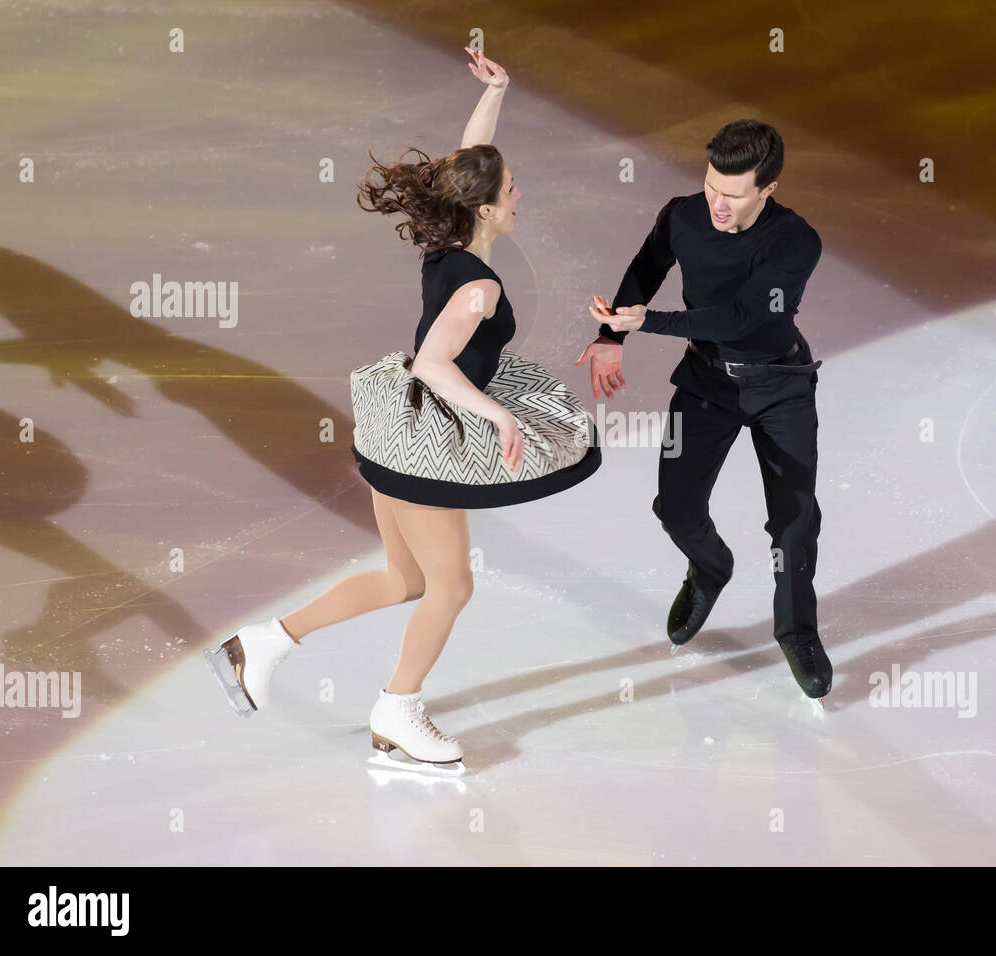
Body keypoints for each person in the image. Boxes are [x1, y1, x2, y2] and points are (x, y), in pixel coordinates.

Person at [206, 50, 600, 772]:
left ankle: (261, 642)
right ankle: (397, 709)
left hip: (395, 426)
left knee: (406, 580)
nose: (520, 196)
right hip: (425, 435)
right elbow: (432, 363)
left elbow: (467, 162)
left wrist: (498, 93)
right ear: (484, 208)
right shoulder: (476, 285)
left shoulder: (449, 236)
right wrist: (500, 416)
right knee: (451, 587)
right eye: (511, 190)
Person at [575, 119, 831, 700]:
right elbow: (646, 267)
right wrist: (612, 336)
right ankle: (710, 569)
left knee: (793, 521)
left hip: (780, 386)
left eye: (733, 193)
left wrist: (650, 322)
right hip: (705, 383)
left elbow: (743, 317)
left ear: (768, 188)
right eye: (712, 184)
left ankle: (797, 630)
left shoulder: (794, 242)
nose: (716, 202)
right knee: (675, 506)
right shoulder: (683, 213)